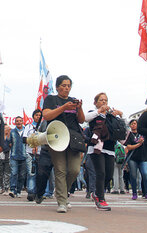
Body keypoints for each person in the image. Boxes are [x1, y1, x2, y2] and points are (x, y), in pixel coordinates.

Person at [42, 75, 85, 213]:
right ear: (57, 87)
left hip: (73, 140)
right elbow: (47, 116)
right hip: (56, 137)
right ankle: (62, 201)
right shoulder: (51, 99)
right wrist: (64, 107)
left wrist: (80, 108)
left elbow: (81, 120)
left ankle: (62, 191)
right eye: (64, 85)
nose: (66, 88)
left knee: (74, 170)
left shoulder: (73, 101)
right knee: (60, 169)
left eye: (69, 86)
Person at [85, 92, 124, 211]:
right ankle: (101, 199)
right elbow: (85, 118)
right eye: (101, 100)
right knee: (100, 172)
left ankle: (97, 193)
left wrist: (120, 115)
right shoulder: (94, 114)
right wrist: (99, 111)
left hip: (110, 148)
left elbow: (122, 131)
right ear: (95, 103)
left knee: (108, 174)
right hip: (97, 147)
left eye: (105, 100)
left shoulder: (111, 116)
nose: (104, 102)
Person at [124, 119, 147, 200]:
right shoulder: (129, 134)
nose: (134, 125)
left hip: (144, 157)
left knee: (145, 174)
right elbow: (128, 147)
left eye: (135, 123)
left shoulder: (142, 133)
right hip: (133, 158)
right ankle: (134, 193)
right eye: (132, 124)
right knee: (133, 175)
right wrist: (138, 144)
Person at [22, 109, 42, 201]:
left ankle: (39, 192)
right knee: (31, 173)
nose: (38, 116)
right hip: (30, 153)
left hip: (41, 153)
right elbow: (24, 139)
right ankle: (31, 192)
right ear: (33, 116)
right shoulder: (28, 127)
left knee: (40, 174)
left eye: (40, 115)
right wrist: (32, 143)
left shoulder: (44, 127)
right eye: (36, 115)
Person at [7, 116, 27, 198]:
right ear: (15, 122)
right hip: (14, 156)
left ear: (23, 122)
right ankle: (12, 190)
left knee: (22, 175)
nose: (19, 122)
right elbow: (8, 142)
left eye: (20, 121)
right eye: (17, 121)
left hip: (24, 156)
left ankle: (18, 191)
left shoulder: (26, 131)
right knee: (14, 173)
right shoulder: (12, 131)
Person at [0, 124, 11, 195]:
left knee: (7, 173)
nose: (7, 130)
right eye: (5, 129)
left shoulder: (10, 137)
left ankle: (6, 188)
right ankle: (2, 186)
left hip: (8, 156)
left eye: (8, 129)